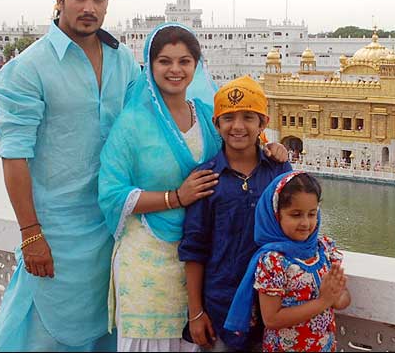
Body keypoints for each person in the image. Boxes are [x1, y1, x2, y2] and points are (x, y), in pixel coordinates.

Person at [99, 26, 289, 352]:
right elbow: (111, 193)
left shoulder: (204, 114)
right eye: (164, 61)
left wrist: (270, 147)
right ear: (150, 64)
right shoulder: (132, 123)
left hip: (206, 267)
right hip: (149, 261)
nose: (175, 70)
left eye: (184, 61)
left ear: (196, 65)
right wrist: (176, 197)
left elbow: (237, 145)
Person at [0, 0, 140, 351]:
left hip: (113, 226)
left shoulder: (123, 60)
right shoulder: (29, 68)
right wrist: (30, 234)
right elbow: (14, 156)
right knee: (44, 334)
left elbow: (154, 120)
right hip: (56, 233)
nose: (89, 7)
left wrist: (258, 146)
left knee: (108, 331)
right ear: (59, 0)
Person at [178, 75, 293, 352]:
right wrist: (195, 312)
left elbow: (300, 227)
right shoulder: (206, 178)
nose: (238, 127)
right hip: (222, 308)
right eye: (228, 118)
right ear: (216, 124)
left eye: (248, 118)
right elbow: (194, 248)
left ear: (262, 123)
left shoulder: (278, 171)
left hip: (275, 305)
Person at [224, 171, 351, 352]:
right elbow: (272, 318)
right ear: (276, 215)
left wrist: (336, 296)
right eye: (296, 214)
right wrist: (323, 301)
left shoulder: (323, 249)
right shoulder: (274, 261)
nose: (306, 223)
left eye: (312, 214)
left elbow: (342, 299)